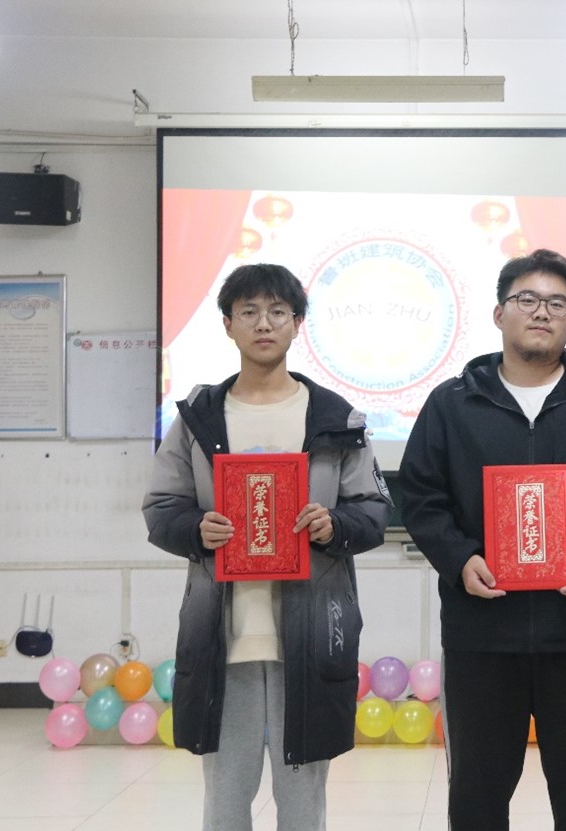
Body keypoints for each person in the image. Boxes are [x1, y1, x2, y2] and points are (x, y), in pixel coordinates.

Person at [399, 248, 566, 830]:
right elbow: (420, 494)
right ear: (499, 314)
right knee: (476, 802)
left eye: (557, 303)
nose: (542, 312)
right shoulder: (453, 402)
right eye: (527, 299)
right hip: (481, 637)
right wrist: (459, 559)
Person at [142, 263, 391, 831]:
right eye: (249, 312)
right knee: (224, 799)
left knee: (303, 800)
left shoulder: (335, 419)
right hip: (221, 634)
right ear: (227, 324)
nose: (263, 324)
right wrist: (195, 530)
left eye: (278, 312)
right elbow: (161, 507)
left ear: (297, 324)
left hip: (309, 636)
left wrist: (334, 525)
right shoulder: (199, 418)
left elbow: (374, 509)